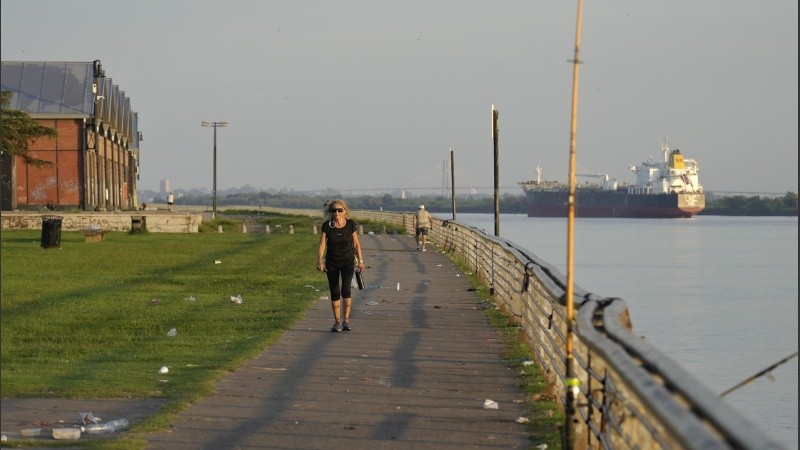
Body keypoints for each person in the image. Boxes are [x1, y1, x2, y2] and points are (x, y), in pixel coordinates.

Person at [317, 199, 365, 332]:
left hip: (347, 262)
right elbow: (322, 245)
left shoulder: (350, 225)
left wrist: (360, 261)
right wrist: (319, 261)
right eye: (334, 210)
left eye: (339, 210)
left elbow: (356, 244)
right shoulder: (327, 226)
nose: (337, 213)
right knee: (335, 292)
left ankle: (346, 321)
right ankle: (337, 322)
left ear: (345, 211)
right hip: (331, 262)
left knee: (346, 291)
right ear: (330, 212)